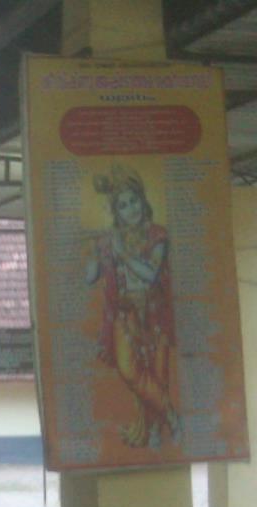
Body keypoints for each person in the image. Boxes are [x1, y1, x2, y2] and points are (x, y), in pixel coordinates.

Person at [87, 164, 179, 449]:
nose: (131, 209)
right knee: (130, 371)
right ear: (116, 213)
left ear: (143, 200)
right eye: (123, 206)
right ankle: (173, 418)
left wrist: (122, 253)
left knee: (156, 374)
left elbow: (151, 274)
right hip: (124, 315)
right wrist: (97, 252)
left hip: (153, 312)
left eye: (134, 201)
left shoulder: (157, 235)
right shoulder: (109, 241)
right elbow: (90, 278)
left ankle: (153, 430)